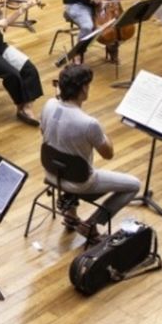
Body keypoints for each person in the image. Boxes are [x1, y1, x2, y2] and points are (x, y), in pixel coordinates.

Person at [41, 64, 142, 239]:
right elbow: (108, 154)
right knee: (134, 185)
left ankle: (71, 216)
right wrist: (101, 133)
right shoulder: (89, 123)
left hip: (52, 173)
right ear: (83, 89)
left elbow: (44, 132)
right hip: (80, 182)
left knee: (68, 158)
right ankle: (90, 225)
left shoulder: (49, 105)